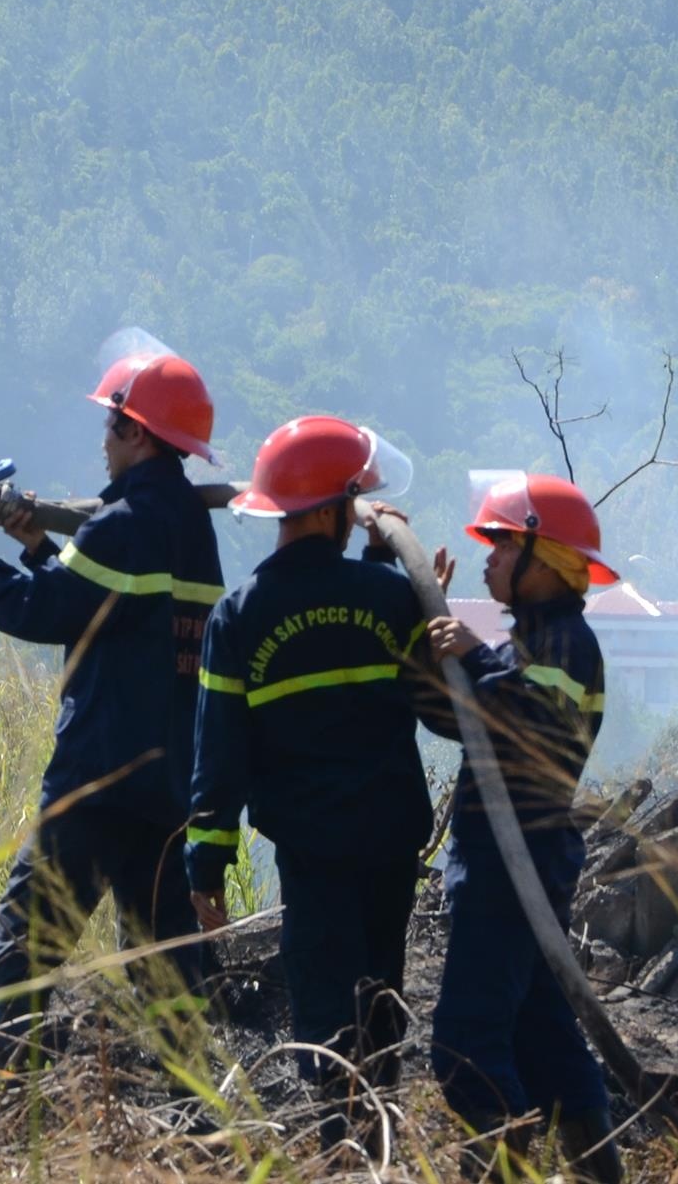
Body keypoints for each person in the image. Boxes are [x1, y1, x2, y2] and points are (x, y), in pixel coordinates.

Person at [0, 351, 224, 1063]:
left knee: (21, 958)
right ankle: (200, 1123)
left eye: (112, 421)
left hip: (94, 786)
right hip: (164, 792)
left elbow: (37, 612)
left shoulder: (121, 524)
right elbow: (112, 610)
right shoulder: (191, 528)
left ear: (140, 432)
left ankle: (12, 1117)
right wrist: (40, 547)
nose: (103, 436)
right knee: (167, 975)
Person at [184, 415, 431, 1150]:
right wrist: (390, 561)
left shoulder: (239, 616)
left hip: (314, 851)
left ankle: (344, 1149)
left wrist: (206, 863)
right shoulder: (390, 597)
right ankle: (375, 1143)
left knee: (327, 1010)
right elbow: (435, 701)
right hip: (391, 839)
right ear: (333, 509)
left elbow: (217, 752)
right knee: (381, 996)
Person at [424, 472, 622, 1183]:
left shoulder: (569, 644)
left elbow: (526, 718)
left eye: (504, 544)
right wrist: (433, 632)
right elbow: (451, 713)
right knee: (545, 1041)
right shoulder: (519, 648)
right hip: (505, 868)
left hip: (514, 874)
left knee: (464, 1045)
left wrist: (470, 655)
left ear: (548, 559)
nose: (489, 557)